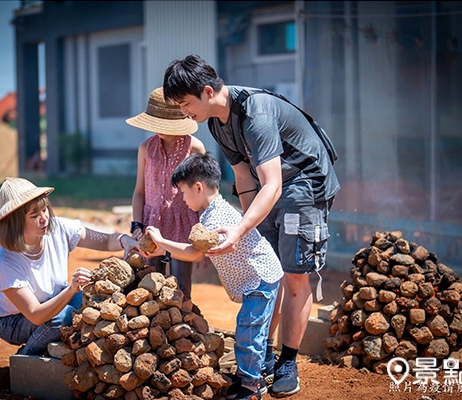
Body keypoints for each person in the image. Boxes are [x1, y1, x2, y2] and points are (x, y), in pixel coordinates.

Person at [163, 54, 340, 397]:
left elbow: (271, 183)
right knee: (268, 267)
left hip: (305, 184)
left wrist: (241, 230)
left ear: (208, 91)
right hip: (271, 187)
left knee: (292, 273)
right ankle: (265, 355)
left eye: (185, 104)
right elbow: (244, 177)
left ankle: (288, 361)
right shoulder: (217, 122)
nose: (184, 112)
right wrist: (249, 229)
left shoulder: (256, 114)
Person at [144, 153, 283, 400]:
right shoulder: (210, 212)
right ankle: (250, 377)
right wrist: (164, 247)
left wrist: (162, 242)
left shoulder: (215, 217)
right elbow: (197, 253)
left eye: (183, 193)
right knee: (250, 330)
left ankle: (252, 388)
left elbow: (195, 254)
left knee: (248, 332)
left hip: (259, 278)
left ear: (198, 187)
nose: (182, 199)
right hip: (257, 277)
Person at [0, 177, 137, 356]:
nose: (44, 219)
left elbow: (104, 240)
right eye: (34, 216)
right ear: (15, 222)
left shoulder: (57, 228)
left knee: (93, 300)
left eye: (45, 210)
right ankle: (25, 357)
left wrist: (123, 240)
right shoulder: (5, 260)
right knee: (63, 317)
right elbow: (35, 314)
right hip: (14, 320)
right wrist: (72, 289)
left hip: (51, 300)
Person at [127, 86, 205, 300]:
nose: (157, 129)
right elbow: (139, 192)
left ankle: (184, 330)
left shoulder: (195, 148)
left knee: (180, 290)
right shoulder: (145, 148)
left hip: (183, 224)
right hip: (151, 224)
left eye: (163, 124)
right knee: (149, 285)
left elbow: (202, 195)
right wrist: (136, 225)